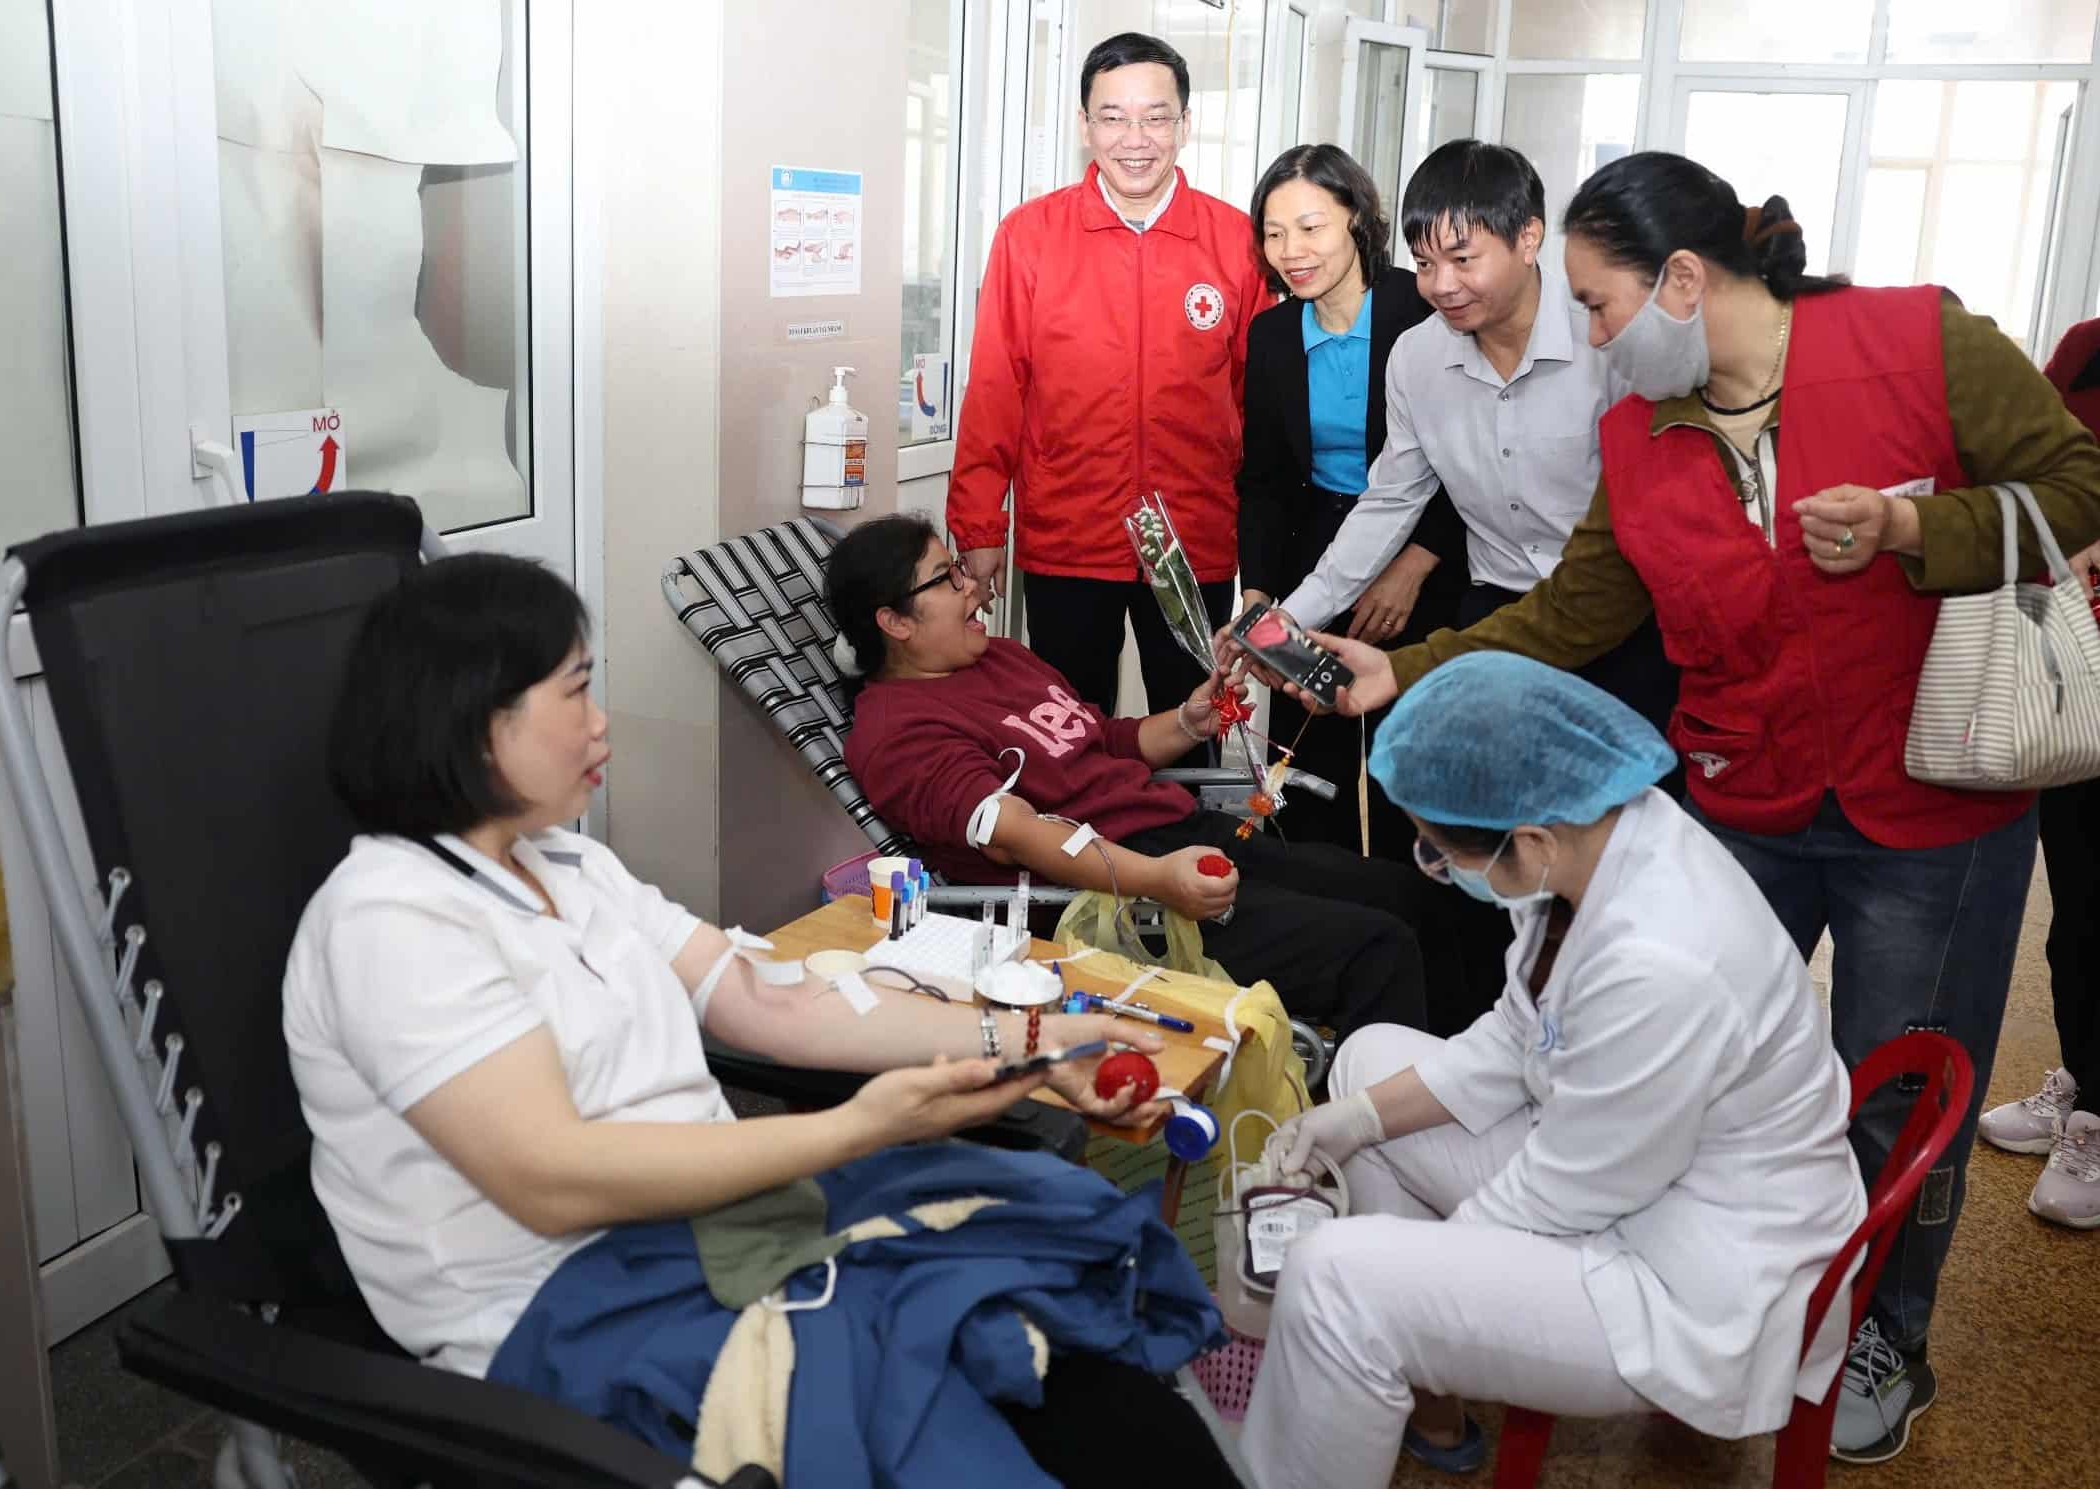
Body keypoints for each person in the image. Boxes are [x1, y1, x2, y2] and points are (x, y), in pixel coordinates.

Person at [1287, 151, 2100, 1464]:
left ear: (1680, 278)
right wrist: (1405, 668)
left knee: (1888, 1084)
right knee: (1664, 1040)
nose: (1593, 340)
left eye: (1600, 308)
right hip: (1743, 787)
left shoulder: (1916, 342)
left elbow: (2078, 487)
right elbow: (1574, 609)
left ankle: (1879, 1328)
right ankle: (1652, 1262)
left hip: (1928, 795)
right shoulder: (1640, 432)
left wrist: (1911, 533)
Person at [283, 552, 1243, 1485]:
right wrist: (852, 1128)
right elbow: (554, 1182)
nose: (602, 719)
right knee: (973, 1404)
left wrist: (1033, 1042)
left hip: (720, 1232)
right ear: (478, 723)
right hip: (578, 1307)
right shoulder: (390, 919)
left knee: (1075, 1321)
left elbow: (768, 1000)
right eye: (576, 691)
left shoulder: (570, 869)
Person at [1240, 653, 1864, 1489]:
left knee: (1334, 1279)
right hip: (1632, 1172)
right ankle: (1419, 1390)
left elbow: (1566, 1193)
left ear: (1529, 838)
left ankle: (1370, 1361)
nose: (1434, 865)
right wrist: (1349, 1119)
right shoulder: (1596, 840)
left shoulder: (1661, 960)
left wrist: (1417, 1274)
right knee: (1364, 1061)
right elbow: (1515, 1034)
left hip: (1694, 1272)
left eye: (1436, 851)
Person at [829, 513, 1504, 1042]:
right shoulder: (896, 733)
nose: (972, 588)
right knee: (1375, 949)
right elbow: (1018, 838)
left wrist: (1188, 718)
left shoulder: (998, 658)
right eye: (946, 578)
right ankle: (1374, 1144)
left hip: (1179, 832)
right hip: (1116, 900)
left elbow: (1104, 740)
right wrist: (1156, 883)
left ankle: (1468, 1083)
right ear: (893, 621)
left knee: (1407, 894)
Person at [1248, 139, 1679, 755]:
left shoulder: (1607, 341)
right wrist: (1294, 616)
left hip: (1619, 618)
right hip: (1493, 619)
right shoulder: (1418, 358)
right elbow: (1390, 499)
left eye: (1462, 259)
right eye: (1424, 265)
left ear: (1528, 240)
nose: (1441, 285)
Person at [946, 31, 1268, 722]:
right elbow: (996, 389)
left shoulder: (1236, 241)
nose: (1135, 137)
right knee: (1067, 736)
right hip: (1067, 537)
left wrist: (1264, 551)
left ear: (1185, 124)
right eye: (1113, 116)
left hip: (1194, 546)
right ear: (1084, 124)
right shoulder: (1030, 236)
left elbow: (1259, 406)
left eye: (1155, 116)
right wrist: (977, 527)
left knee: (1196, 727)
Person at [1236, 142, 1473, 859]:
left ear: (1357, 219)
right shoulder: (1272, 332)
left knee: (1407, 763)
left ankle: (1416, 919)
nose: (1290, 251)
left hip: (1428, 549)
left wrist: (1417, 562)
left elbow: (1466, 460)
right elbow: (1268, 479)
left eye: (1310, 227)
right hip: (1317, 553)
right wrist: (1259, 589)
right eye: (1274, 233)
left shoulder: (1422, 310)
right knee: (1307, 759)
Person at [1977, 314, 2100, 1231]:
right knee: (2079, 916)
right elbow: (2044, 469)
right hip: (2082, 672)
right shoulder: (2088, 341)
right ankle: (2084, 1077)